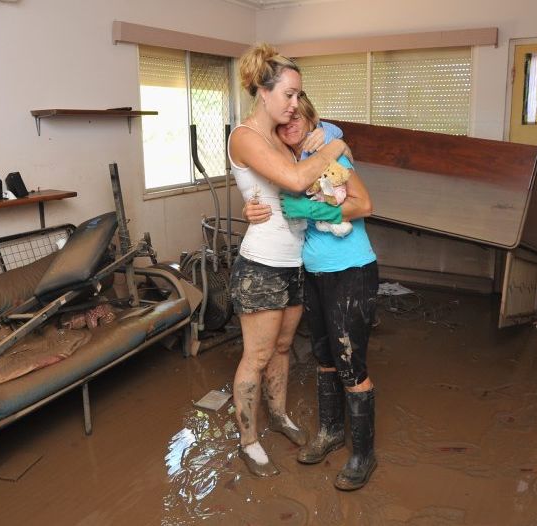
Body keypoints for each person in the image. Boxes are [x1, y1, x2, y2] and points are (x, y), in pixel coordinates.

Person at [244, 92, 379, 491]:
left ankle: (363, 454)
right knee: (324, 356)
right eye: (283, 125)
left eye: (296, 119)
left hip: (351, 269)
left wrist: (314, 210)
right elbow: (264, 199)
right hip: (315, 272)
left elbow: (365, 204)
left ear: (307, 118)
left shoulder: (330, 152)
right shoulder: (290, 165)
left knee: (351, 363)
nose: (290, 127)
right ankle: (331, 432)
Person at [227, 43, 350, 478]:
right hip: (261, 263)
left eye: (299, 96)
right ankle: (248, 439)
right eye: (289, 94)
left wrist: (322, 146)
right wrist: (337, 146)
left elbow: (297, 191)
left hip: (294, 261)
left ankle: (277, 415)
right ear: (263, 91)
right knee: (256, 356)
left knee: (282, 349)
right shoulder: (245, 136)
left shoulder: (281, 139)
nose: (295, 104)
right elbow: (299, 179)